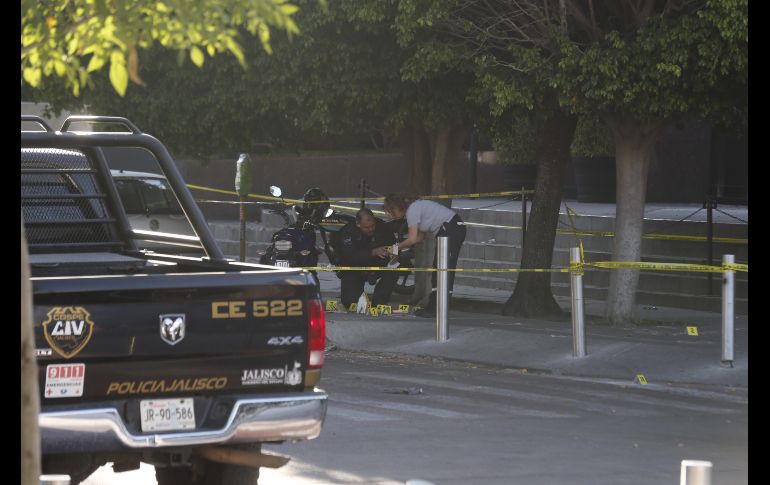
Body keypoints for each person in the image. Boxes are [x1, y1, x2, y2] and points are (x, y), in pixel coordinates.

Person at [383, 192, 466, 318]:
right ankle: (434, 307)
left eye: (391, 211)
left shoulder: (412, 211)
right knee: (437, 270)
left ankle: (439, 308)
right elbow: (419, 238)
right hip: (448, 229)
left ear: (397, 207)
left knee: (444, 270)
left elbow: (411, 239)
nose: (391, 215)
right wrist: (396, 248)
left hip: (451, 228)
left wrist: (394, 248)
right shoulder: (414, 209)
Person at [336, 208, 399, 310]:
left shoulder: (382, 226)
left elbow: (394, 243)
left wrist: (395, 256)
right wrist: (373, 252)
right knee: (350, 303)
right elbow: (350, 257)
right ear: (358, 224)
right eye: (366, 227)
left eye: (373, 226)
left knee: (395, 268)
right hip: (355, 268)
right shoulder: (348, 232)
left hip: (377, 264)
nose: (370, 229)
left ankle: (379, 302)